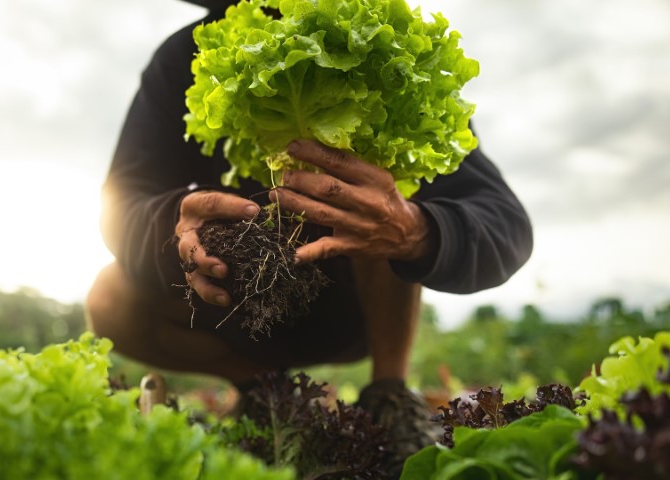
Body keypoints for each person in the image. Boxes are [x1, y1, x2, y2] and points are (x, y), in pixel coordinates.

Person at [87, 0, 533, 473]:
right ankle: (266, 392)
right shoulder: (184, 59)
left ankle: (390, 394)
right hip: (236, 308)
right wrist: (170, 225)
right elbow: (121, 203)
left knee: (379, 198)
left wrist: (414, 230)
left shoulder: (377, 38)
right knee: (108, 300)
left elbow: (505, 223)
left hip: (357, 310)